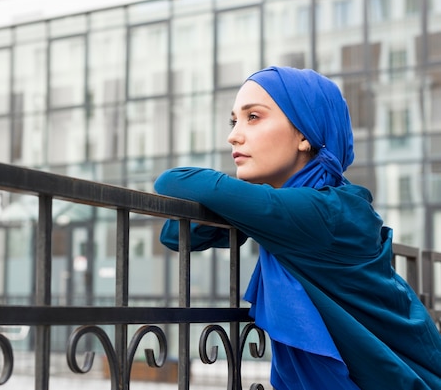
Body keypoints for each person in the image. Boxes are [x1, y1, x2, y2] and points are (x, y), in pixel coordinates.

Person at [154, 66, 441, 390]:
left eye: (253, 117)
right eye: (234, 120)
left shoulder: (322, 212)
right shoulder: (307, 209)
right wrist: (246, 207)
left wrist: (242, 200)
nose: (233, 135)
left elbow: (170, 180)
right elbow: (176, 236)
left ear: (304, 135)